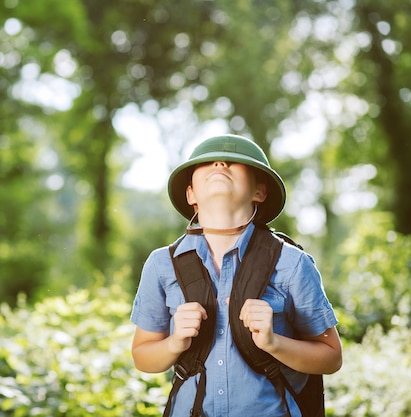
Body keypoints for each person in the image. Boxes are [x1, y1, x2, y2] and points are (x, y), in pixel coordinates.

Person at [130, 134, 342, 417]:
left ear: (259, 192)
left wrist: (273, 343)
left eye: (233, 162)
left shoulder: (293, 264)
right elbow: (143, 357)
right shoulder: (161, 264)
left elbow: (331, 357)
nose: (220, 164)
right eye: (207, 163)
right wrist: (175, 342)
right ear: (191, 194)